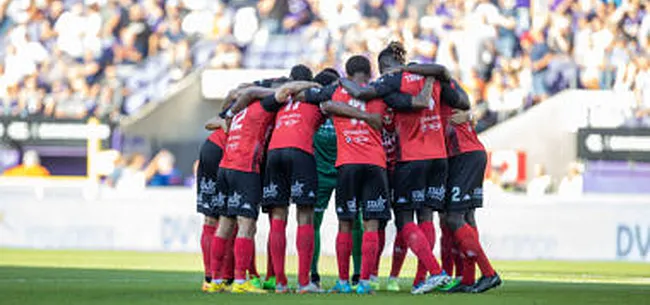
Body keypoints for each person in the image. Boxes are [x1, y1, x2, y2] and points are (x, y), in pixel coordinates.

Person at [340, 42, 465, 294]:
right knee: (427, 216)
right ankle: (421, 278)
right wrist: (436, 77)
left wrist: (341, 83)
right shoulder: (432, 76)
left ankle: (433, 272)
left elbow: (364, 94)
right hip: (439, 158)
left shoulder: (392, 81)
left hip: (411, 158)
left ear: (384, 67)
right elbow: (463, 101)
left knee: (404, 220)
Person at [299, 55, 390, 294]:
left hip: (347, 164)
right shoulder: (379, 93)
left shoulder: (336, 94)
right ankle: (365, 281)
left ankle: (341, 282)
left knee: (345, 224)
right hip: (375, 164)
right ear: (370, 73)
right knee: (370, 224)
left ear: (347, 74)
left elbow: (319, 103)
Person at [437, 82, 501, 294]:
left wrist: (469, 114)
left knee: (454, 218)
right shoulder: (452, 103)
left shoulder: (438, 105)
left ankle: (489, 274)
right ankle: (468, 278)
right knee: (467, 217)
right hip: (470, 155)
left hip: (465, 156)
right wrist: (470, 114)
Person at [308, 70, 366, 290]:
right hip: (332, 173)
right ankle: (318, 274)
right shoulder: (328, 110)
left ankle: (354, 274)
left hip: (336, 172)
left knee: (348, 223)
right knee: (348, 223)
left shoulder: (333, 110)